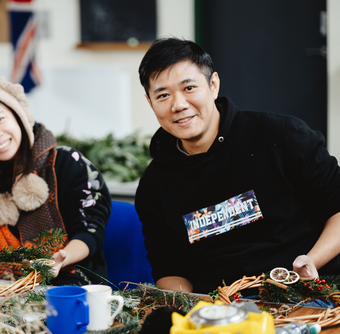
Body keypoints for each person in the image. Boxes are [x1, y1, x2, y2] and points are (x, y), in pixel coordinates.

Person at [135, 37, 340, 294]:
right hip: (220, 312)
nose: (178, 105)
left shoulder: (281, 135)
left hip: (308, 294)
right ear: (150, 102)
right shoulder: (154, 185)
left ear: (213, 85)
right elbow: (168, 269)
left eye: (189, 88)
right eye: (163, 95)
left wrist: (311, 261)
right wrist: (194, 310)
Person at [0, 74, 111, 285]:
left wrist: (61, 259)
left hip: (71, 287)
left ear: (18, 116)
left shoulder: (67, 163)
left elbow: (90, 230)